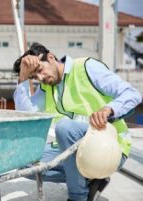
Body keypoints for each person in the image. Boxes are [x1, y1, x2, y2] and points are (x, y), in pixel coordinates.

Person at [13, 43, 142, 201]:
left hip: (110, 145)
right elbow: (26, 116)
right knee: (23, 161)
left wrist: (109, 110)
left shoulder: (86, 67)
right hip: (77, 150)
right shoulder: (47, 86)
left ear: (52, 58)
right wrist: (23, 77)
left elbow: (132, 94)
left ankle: (78, 197)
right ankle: (90, 179)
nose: (40, 78)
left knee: (65, 127)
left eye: (39, 70)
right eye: (34, 77)